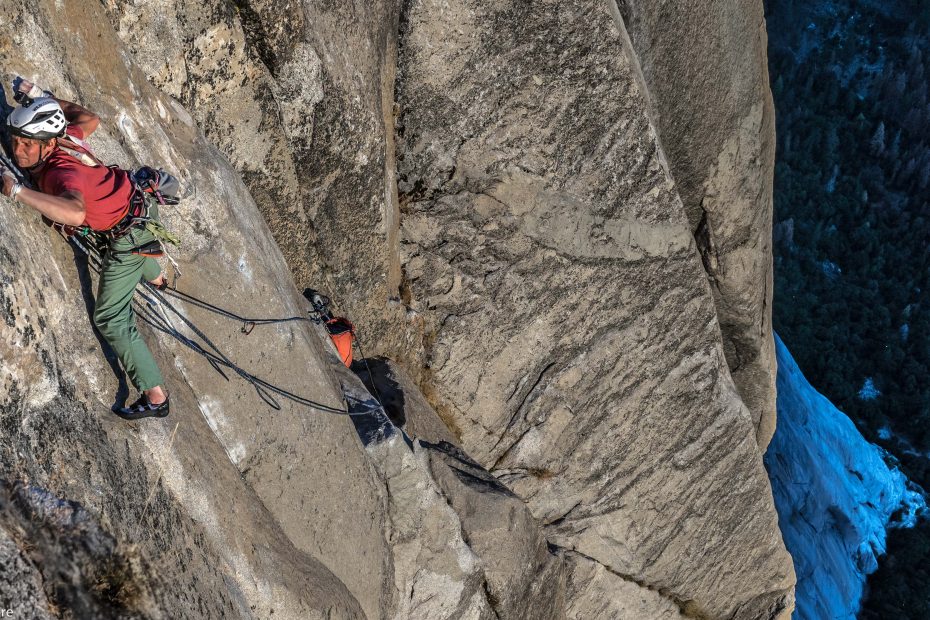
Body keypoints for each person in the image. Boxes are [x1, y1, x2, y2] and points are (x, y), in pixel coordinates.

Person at [0, 78, 171, 419]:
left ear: (47, 145)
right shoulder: (66, 139)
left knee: (110, 317)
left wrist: (17, 192)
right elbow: (89, 119)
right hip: (139, 209)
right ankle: (156, 278)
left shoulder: (61, 174)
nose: (18, 151)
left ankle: (156, 397)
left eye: (26, 144)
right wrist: (40, 97)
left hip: (127, 239)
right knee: (136, 250)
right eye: (16, 141)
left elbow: (75, 212)